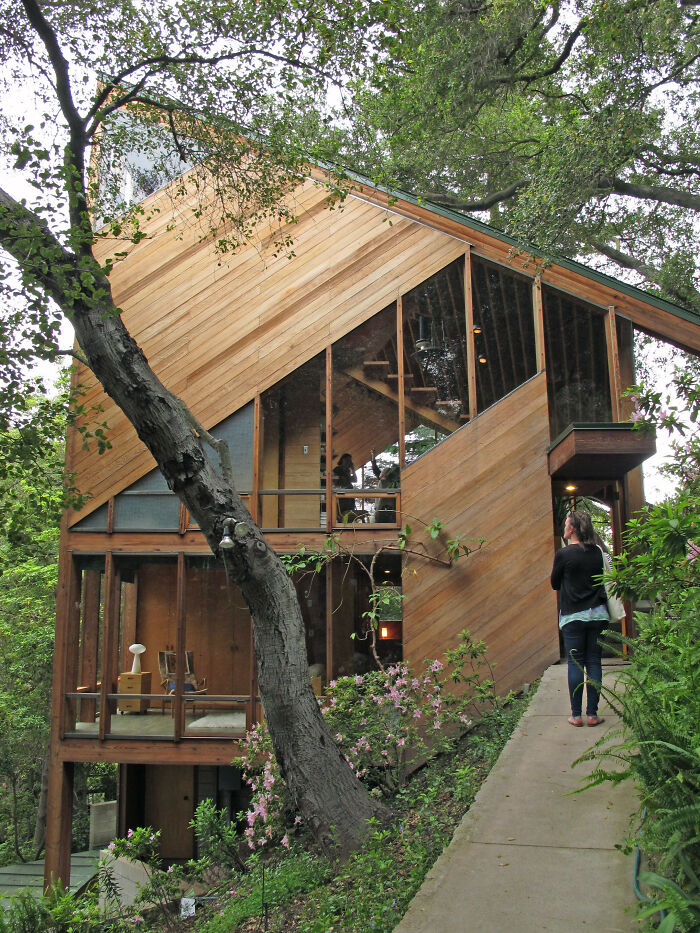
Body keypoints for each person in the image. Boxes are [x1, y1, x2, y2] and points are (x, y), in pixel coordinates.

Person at [550, 510, 609, 727]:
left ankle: (576, 716)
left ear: (572, 528)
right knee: (594, 661)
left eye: (566, 524)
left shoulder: (563, 555)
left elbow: (554, 583)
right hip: (598, 615)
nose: (564, 527)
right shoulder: (597, 552)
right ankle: (592, 714)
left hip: (573, 616)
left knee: (575, 663)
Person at [370, 449, 400, 523]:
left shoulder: (387, 482)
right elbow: (375, 469)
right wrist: (373, 456)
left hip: (385, 510)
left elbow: (375, 470)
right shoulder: (385, 482)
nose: (381, 475)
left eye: (383, 472)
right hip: (383, 510)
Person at [332, 453, 358, 518]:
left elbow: (355, 480)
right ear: (342, 460)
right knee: (342, 513)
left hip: (349, 496)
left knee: (350, 513)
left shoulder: (348, 471)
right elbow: (334, 481)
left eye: (349, 461)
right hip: (342, 496)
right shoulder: (337, 469)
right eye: (347, 460)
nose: (348, 462)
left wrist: (353, 469)